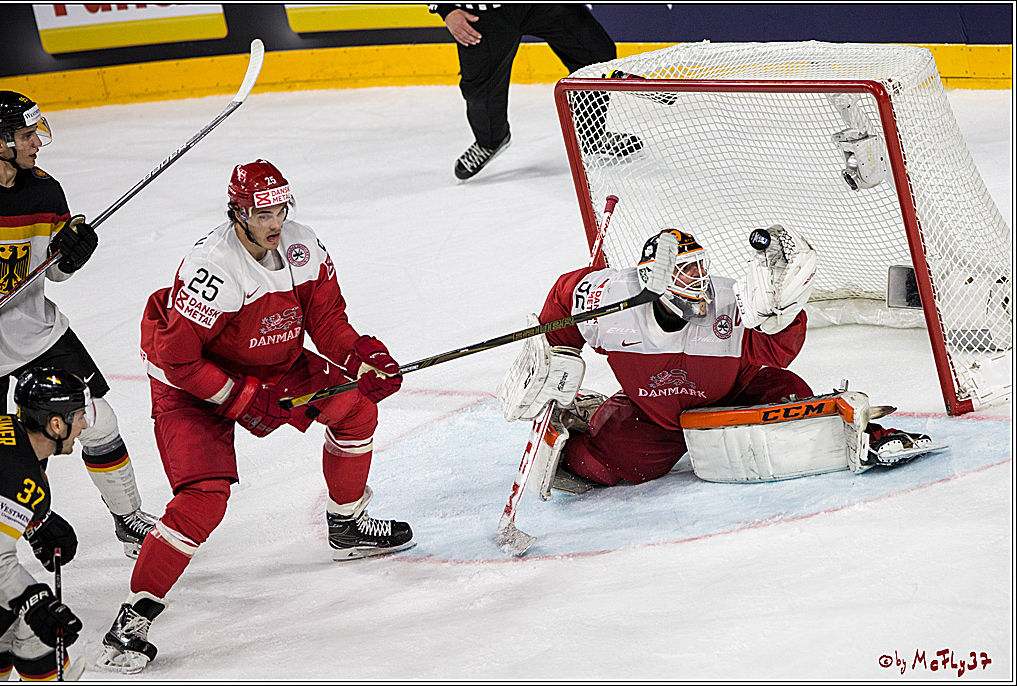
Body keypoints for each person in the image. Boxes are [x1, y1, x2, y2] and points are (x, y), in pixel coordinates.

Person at [97, 159, 413, 674]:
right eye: (263, 213)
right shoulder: (214, 268)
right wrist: (240, 397)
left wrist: (362, 357)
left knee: (356, 409)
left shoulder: (302, 245)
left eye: (280, 209)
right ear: (238, 213)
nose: (275, 222)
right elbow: (179, 360)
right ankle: (135, 616)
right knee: (204, 500)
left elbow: (327, 320)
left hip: (269, 365)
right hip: (190, 386)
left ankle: (347, 526)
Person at [500, 225, 936, 491]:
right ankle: (586, 418)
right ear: (654, 279)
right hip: (652, 413)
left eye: (700, 266)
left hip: (733, 395)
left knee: (792, 402)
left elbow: (776, 353)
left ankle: (870, 436)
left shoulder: (730, 301)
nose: (700, 279)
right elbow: (563, 298)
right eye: (686, 270)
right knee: (598, 466)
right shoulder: (610, 299)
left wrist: (784, 314)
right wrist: (553, 354)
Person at [0, 90, 158, 559]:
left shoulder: (46, 191)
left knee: (97, 418)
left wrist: (71, 255)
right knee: (8, 453)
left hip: (35, 331)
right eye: (26, 136)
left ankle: (128, 519)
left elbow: (54, 272)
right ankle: (22, 533)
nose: (37, 144)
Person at [431, 4, 643, 180]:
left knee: (595, 54)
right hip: (481, 15)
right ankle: (490, 142)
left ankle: (592, 136)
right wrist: (446, 10)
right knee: (480, 91)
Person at [0, 368, 92, 681]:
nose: (84, 425)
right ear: (56, 424)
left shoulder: (9, 429)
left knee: (20, 618)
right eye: (79, 416)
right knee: (32, 614)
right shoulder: (19, 478)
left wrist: (35, 521)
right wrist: (33, 600)